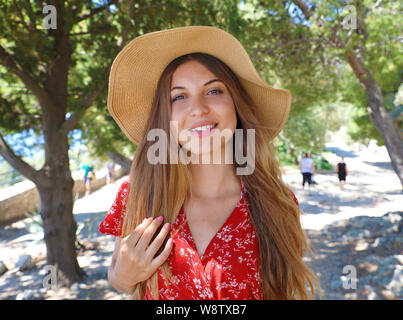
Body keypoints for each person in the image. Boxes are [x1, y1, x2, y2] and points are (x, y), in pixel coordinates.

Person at [98, 26, 319, 300]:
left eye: (214, 91)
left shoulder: (278, 204)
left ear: (237, 105)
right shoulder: (140, 194)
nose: (198, 109)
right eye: (178, 96)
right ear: (164, 118)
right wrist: (123, 277)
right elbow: (119, 278)